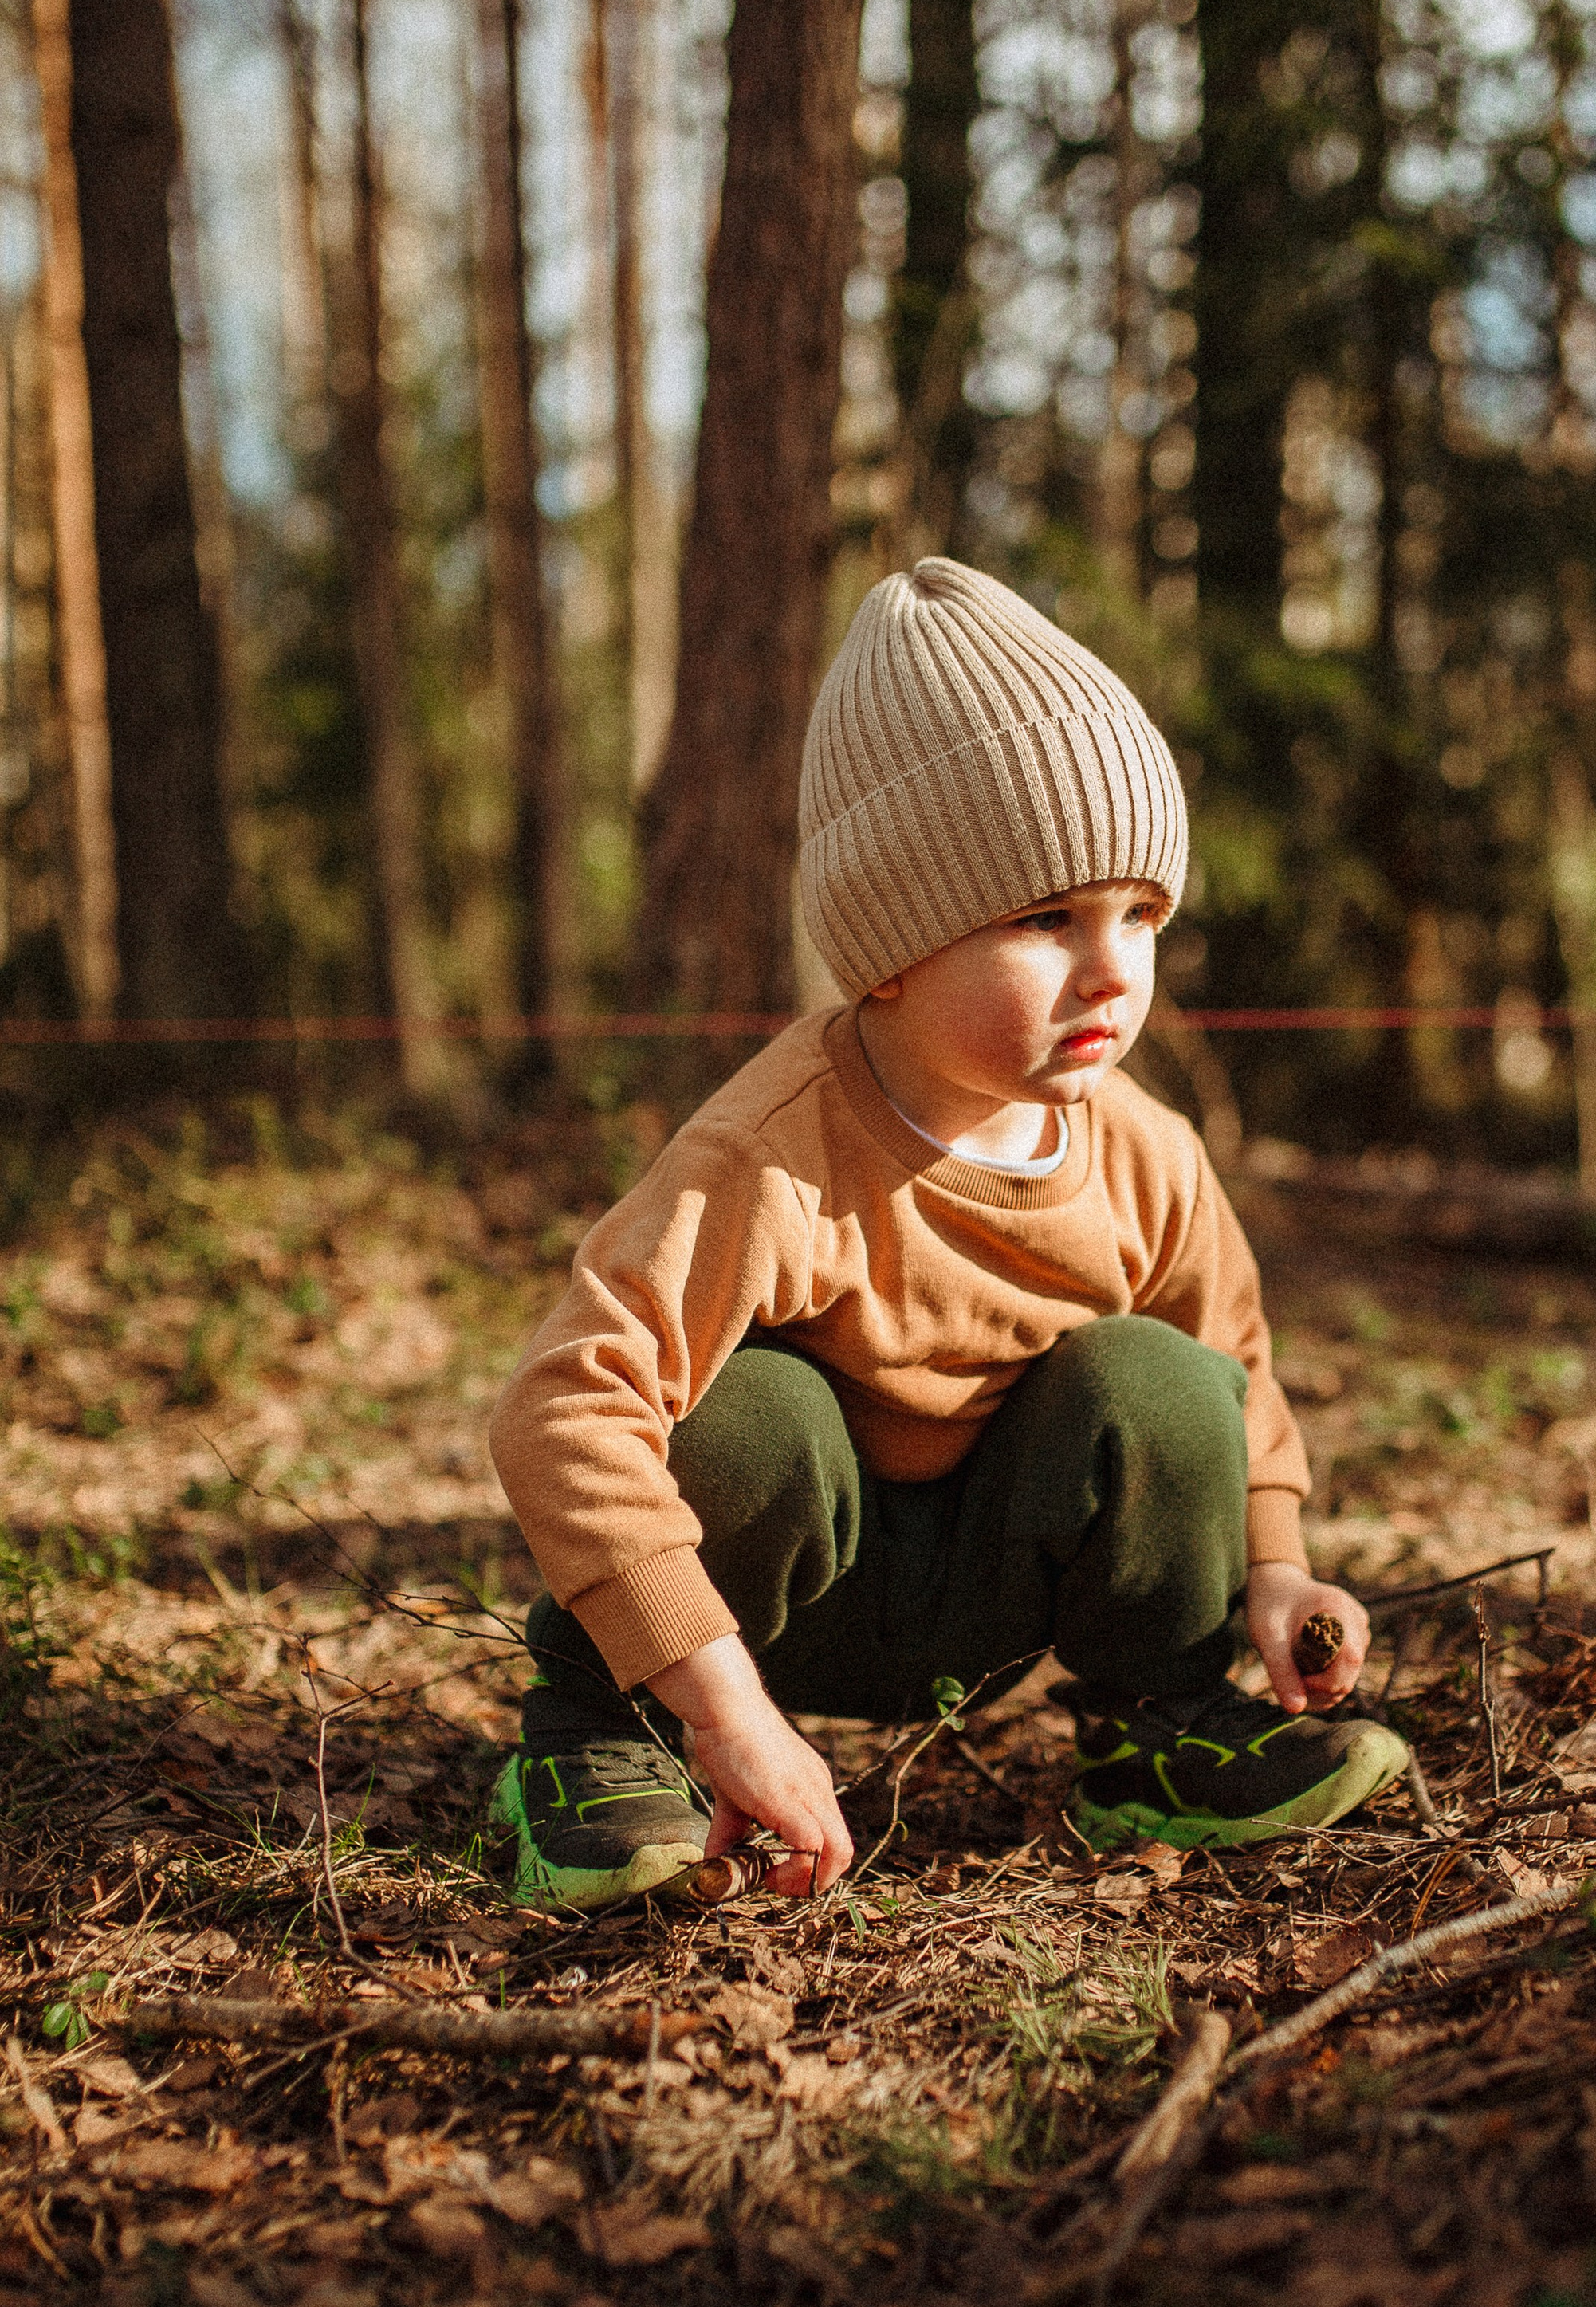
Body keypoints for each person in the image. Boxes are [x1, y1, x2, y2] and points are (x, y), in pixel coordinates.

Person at [487, 557, 1409, 1909]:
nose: (1112, 967)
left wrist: (1275, 1569)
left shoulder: (1140, 1149)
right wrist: (722, 1696)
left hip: (992, 1592)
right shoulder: (773, 1150)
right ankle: (596, 1741)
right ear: (894, 947)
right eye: (1047, 919)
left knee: (1160, 1380)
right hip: (768, 1604)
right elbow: (562, 1406)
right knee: (748, 1411)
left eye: (1138, 913)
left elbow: (1239, 1363)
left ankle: (1159, 1724)